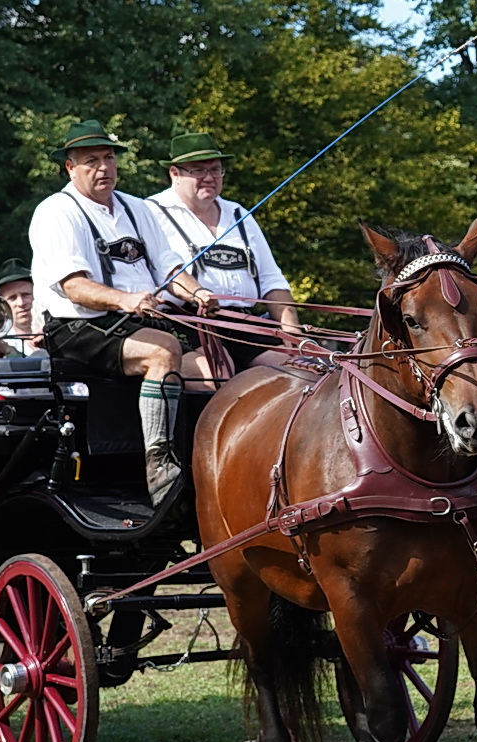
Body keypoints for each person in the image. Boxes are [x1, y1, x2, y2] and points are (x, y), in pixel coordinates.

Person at [28, 119, 218, 505]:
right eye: (92, 161)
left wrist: (197, 292)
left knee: (217, 364)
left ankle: (209, 467)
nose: (104, 167)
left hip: (136, 321)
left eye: (109, 158)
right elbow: (73, 286)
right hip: (76, 325)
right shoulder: (56, 212)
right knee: (162, 352)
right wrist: (125, 299)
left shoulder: (137, 208)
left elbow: (169, 268)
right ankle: (159, 466)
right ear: (71, 168)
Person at [147, 131, 300, 374]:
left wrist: (291, 330)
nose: (209, 177)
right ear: (174, 173)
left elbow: (271, 279)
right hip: (185, 320)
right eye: (198, 170)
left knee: (301, 369)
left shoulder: (239, 214)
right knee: (216, 372)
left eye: (215, 170)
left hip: (242, 322)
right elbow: (163, 271)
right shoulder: (151, 212)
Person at [0, 258, 43, 355]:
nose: (21, 303)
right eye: (12, 298)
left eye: (26, 295)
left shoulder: (56, 336)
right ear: (2, 304)